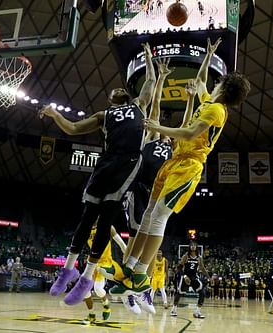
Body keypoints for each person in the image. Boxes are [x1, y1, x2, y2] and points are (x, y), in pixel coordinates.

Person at [112, 37, 251, 295]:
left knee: (159, 216)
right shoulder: (209, 102)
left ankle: (142, 273)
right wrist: (208, 55)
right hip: (174, 163)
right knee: (148, 214)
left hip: (189, 166)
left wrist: (158, 127)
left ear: (223, 85)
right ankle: (129, 267)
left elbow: (188, 133)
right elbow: (199, 82)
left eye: (219, 80)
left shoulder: (217, 111)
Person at [39, 42, 156, 306]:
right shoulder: (103, 115)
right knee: (87, 217)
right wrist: (54, 113)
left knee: (106, 220)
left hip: (127, 164)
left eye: (119, 87)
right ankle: (68, 269)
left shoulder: (139, 105)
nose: (116, 88)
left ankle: (87, 277)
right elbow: (71, 128)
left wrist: (148, 57)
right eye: (112, 90)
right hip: (106, 163)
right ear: (111, 100)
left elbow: (150, 81)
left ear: (125, 94)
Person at [120, 58, 174, 313]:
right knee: (134, 237)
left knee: (154, 244)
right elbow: (155, 109)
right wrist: (161, 77)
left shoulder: (172, 148)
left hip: (157, 194)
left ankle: (145, 290)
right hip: (139, 190)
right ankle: (127, 289)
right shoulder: (151, 135)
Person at [82, 223, 126, 324]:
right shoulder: (86, 228)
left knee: (98, 289)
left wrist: (127, 255)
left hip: (105, 262)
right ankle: (91, 315)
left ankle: (106, 306)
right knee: (84, 290)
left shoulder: (107, 226)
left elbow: (122, 244)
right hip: (92, 261)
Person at [170, 241, 210, 318]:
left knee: (202, 293)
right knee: (179, 293)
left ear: (196, 247)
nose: (193, 246)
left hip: (194, 278)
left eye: (194, 245)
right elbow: (179, 267)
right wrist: (184, 276)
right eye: (191, 245)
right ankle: (173, 309)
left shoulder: (199, 257)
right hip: (186, 277)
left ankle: (197, 312)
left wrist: (209, 277)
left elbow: (202, 268)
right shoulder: (186, 256)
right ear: (189, 247)